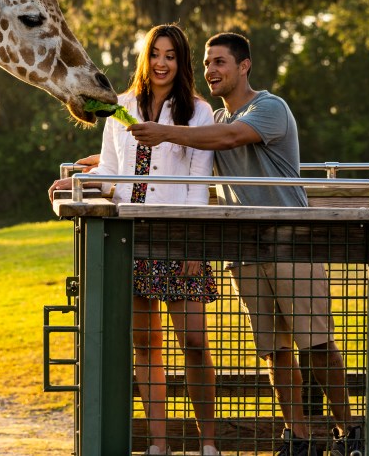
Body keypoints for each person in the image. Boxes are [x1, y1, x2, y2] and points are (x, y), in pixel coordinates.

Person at [128, 32, 364, 456]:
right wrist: (94, 166)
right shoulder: (211, 120)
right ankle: (300, 438)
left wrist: (162, 131)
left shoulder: (268, 108)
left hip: (292, 242)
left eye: (220, 62)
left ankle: (352, 432)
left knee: (317, 344)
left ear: (244, 66)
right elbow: (176, 156)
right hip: (247, 251)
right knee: (274, 351)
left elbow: (228, 140)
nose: (211, 71)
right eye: (206, 63)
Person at [50, 24, 220, 456]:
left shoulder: (197, 113)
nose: (162, 63)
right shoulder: (120, 107)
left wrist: (195, 247)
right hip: (131, 237)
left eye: (171, 56)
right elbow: (111, 170)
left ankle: (209, 444)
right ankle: (159, 445)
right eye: (156, 53)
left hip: (178, 238)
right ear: (145, 58)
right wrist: (78, 183)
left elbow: (199, 183)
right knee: (146, 346)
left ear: (181, 64)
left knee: (196, 344)